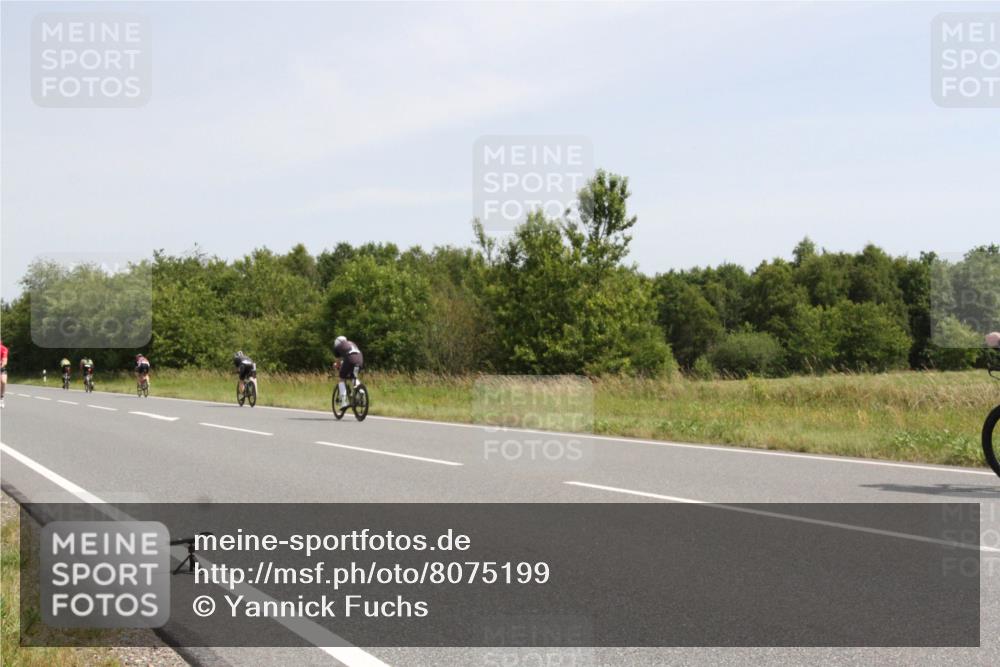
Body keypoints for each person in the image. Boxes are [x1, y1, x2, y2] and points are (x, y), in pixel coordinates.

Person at [332, 335, 363, 409]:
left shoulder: (338, 347)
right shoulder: (352, 343)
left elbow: (338, 362)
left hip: (350, 360)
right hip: (360, 360)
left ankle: (343, 402)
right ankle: (360, 390)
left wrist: (336, 365)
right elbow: (352, 355)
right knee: (353, 377)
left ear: (337, 342)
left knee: (341, 378)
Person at [0, 340, 8, 408]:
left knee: (3, 381)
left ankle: (1, 398)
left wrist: (1, 366)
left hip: (1, 367)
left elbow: (5, 361)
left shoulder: (4, 349)